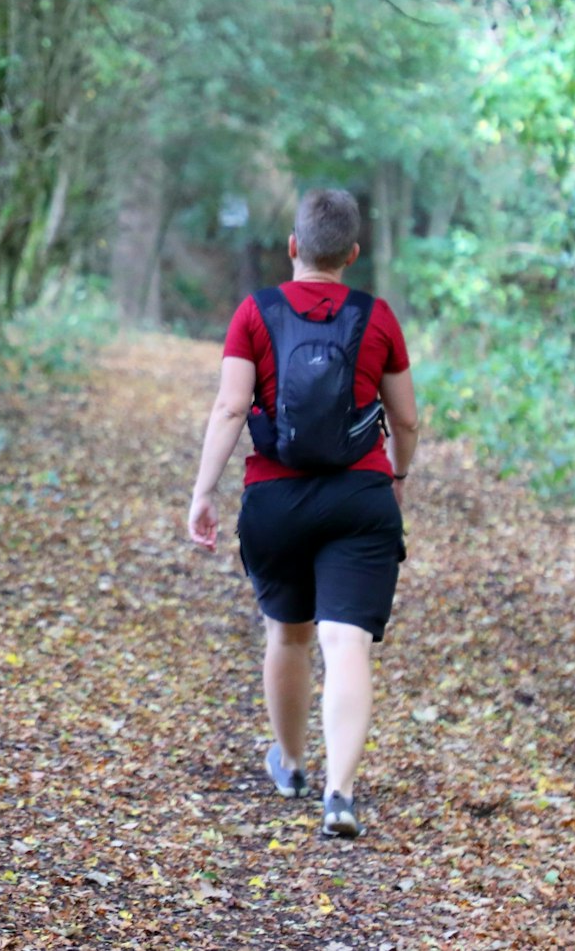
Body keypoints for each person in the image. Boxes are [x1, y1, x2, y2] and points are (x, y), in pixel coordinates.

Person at [186, 187, 419, 840]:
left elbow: (231, 407)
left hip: (276, 499)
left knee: (288, 635)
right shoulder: (376, 317)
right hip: (359, 499)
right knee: (346, 642)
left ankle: (290, 766)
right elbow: (405, 418)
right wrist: (397, 475)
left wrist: (203, 491)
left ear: (292, 246)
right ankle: (339, 795)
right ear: (352, 253)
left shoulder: (255, 312)